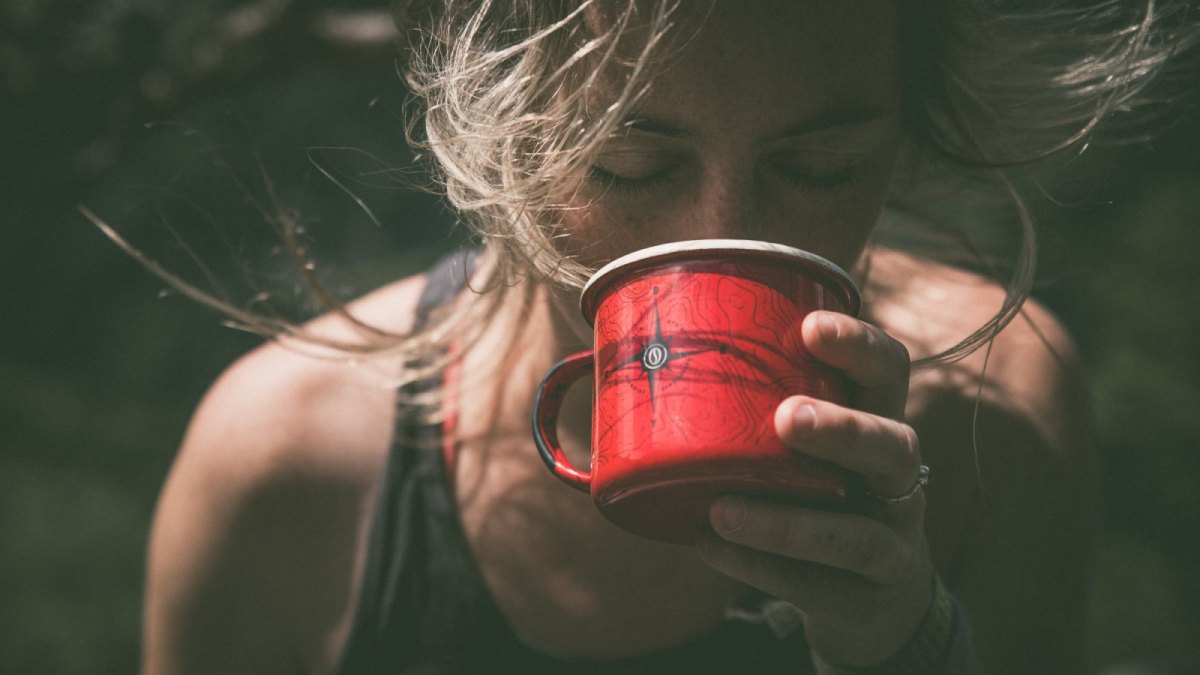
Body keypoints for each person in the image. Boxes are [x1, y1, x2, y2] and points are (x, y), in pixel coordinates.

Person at [133, 1, 1195, 673]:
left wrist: (913, 651)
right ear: (490, 134)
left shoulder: (990, 415)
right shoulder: (282, 468)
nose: (723, 231)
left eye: (819, 167)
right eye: (629, 167)